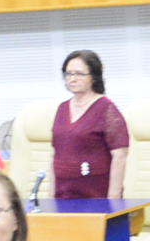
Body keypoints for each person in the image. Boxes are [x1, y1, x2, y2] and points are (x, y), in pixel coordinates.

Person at [44, 49, 130, 202]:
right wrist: (50, 197)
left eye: (79, 74)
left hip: (95, 195)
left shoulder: (106, 108)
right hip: (63, 194)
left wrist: (113, 198)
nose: (72, 79)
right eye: (68, 74)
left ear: (94, 77)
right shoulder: (62, 108)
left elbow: (120, 155)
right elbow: (55, 154)